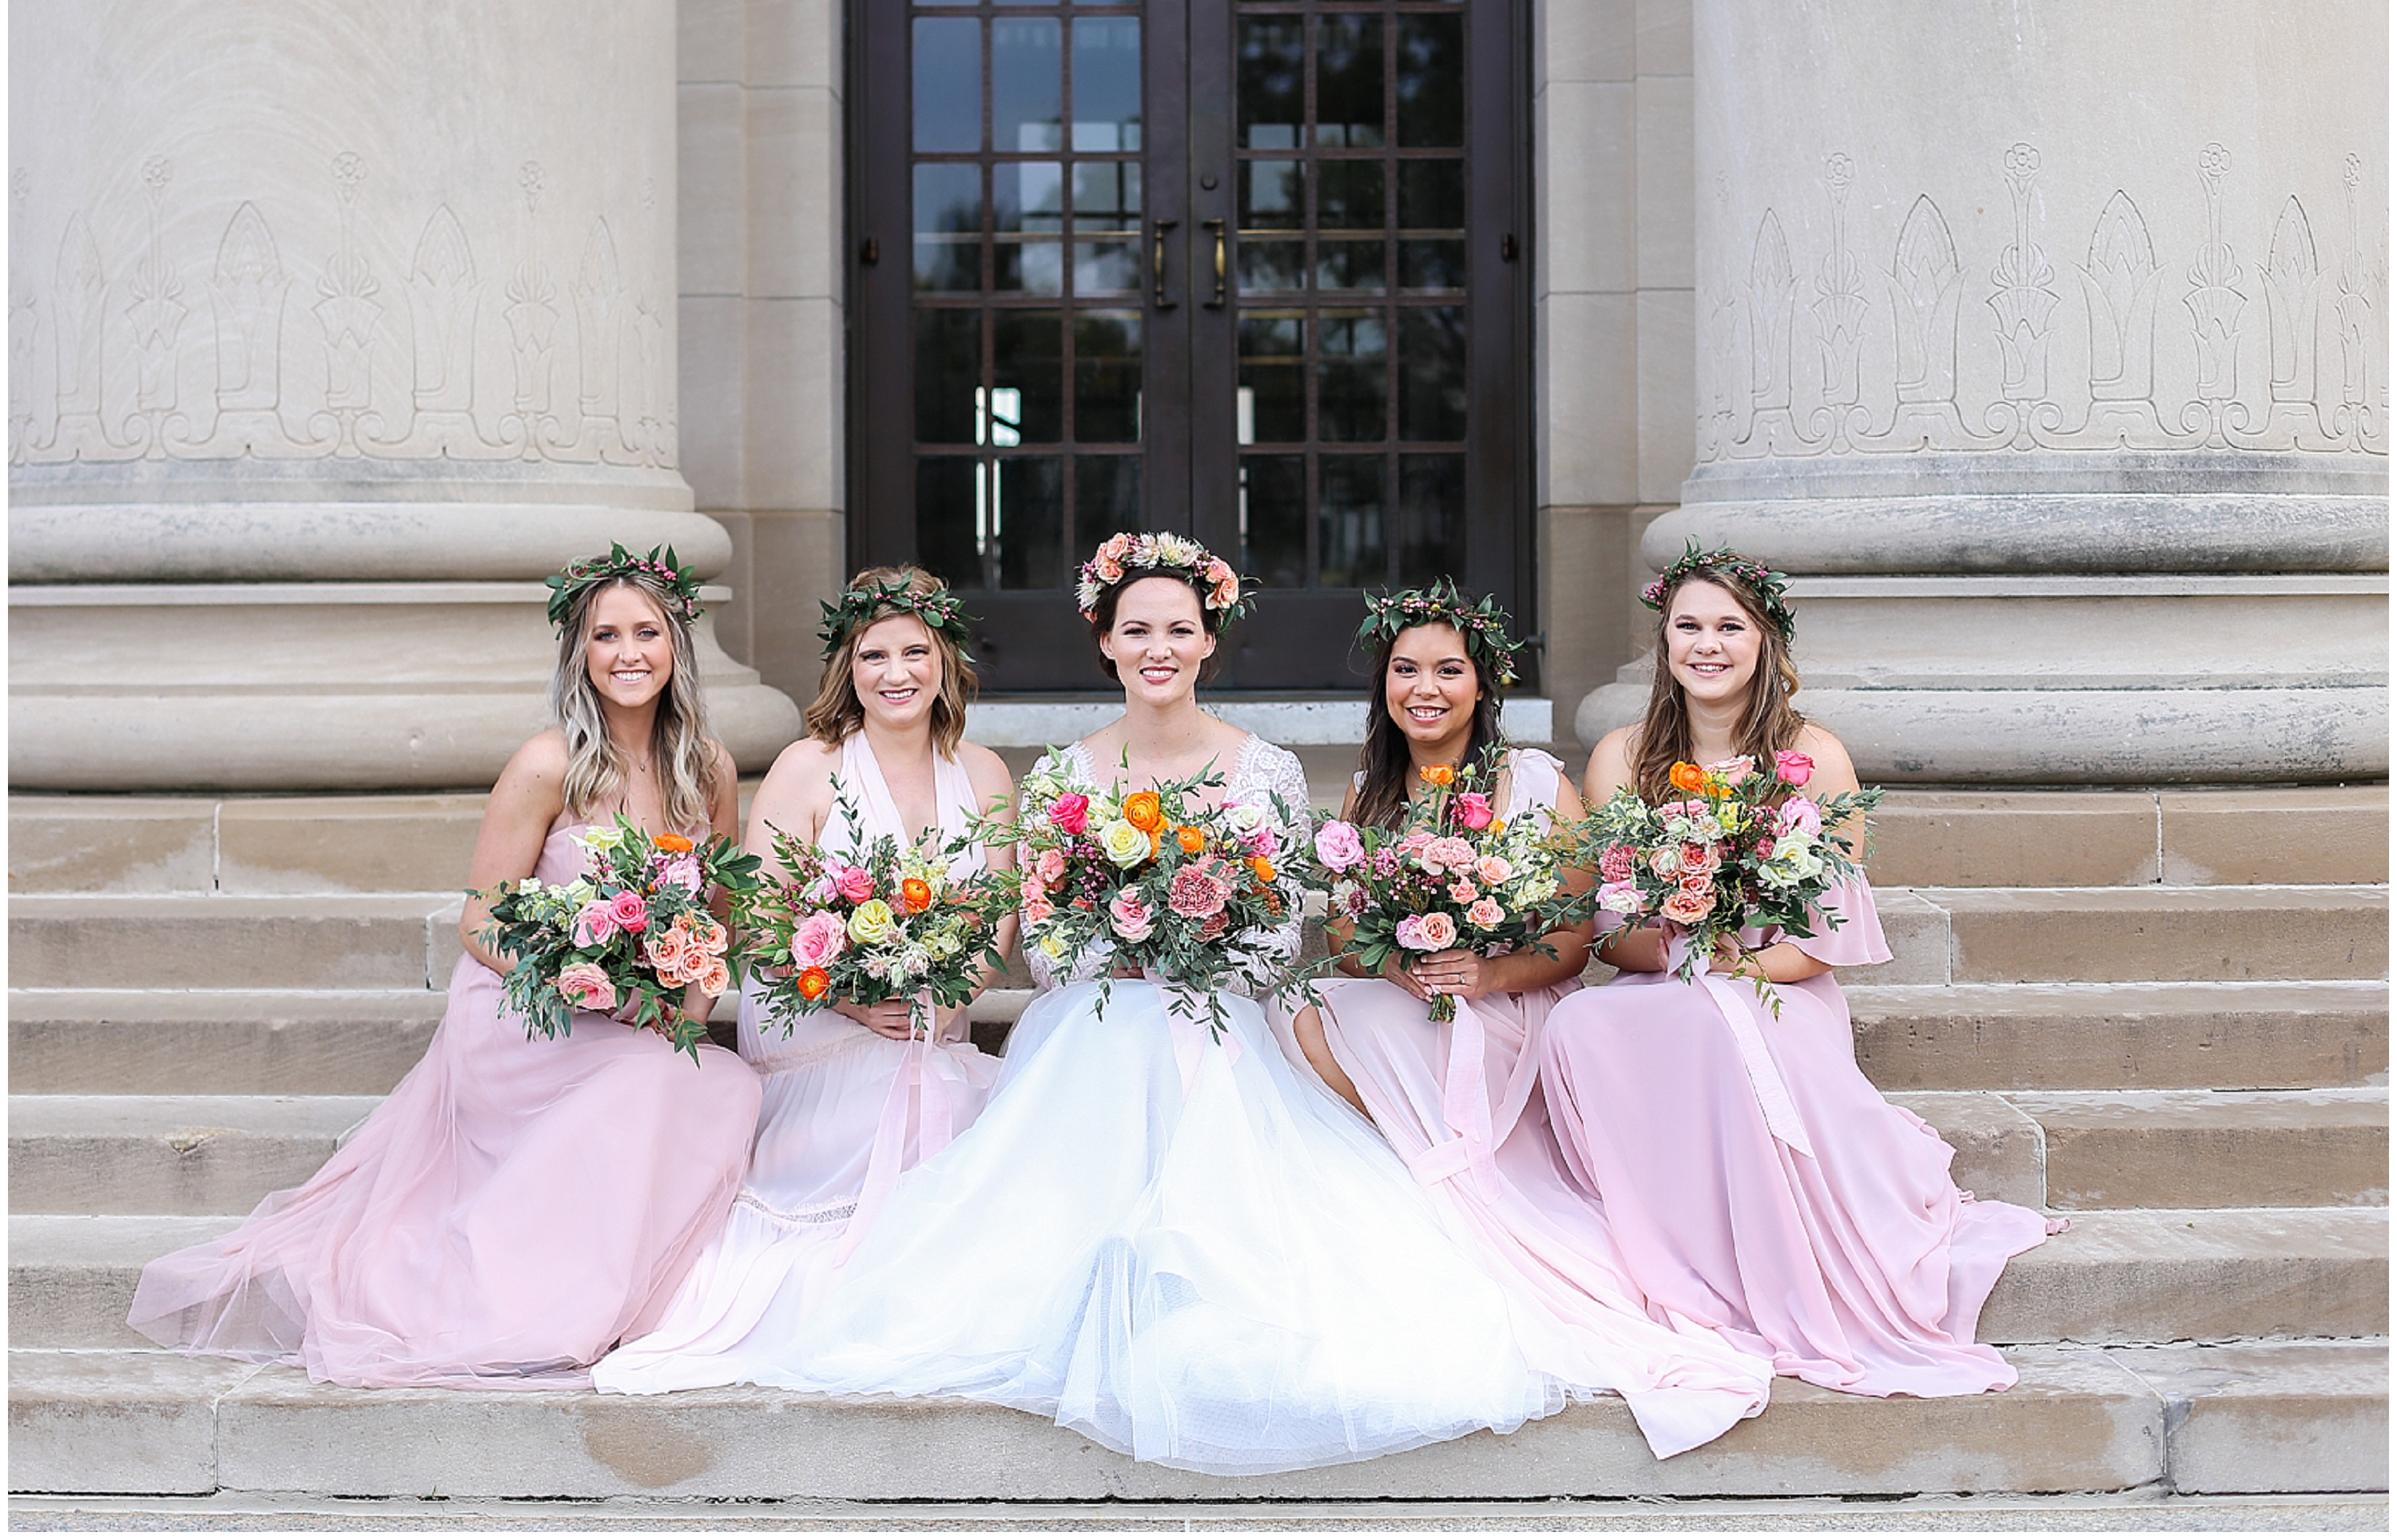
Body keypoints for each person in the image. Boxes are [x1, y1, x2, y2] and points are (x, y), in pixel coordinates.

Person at [763, 533, 1565, 1476]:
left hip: (1221, 1014)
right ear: (1103, 640)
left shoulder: (1263, 771)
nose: (1158, 648)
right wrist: (1133, 948)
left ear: (1208, 642)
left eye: (1179, 629)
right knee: (1120, 1036)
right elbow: (1050, 942)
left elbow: (1275, 941)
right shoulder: (1063, 776)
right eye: (1136, 628)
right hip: (1100, 1024)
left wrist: (1196, 946)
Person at [129, 546, 761, 1387]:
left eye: (646, 631)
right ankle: (535, 1304)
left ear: (677, 643)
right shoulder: (548, 765)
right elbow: (479, 923)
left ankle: (598, 1291)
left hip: (634, 1021)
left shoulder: (707, 768)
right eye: (605, 635)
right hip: (527, 1012)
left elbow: (715, 922)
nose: (627, 652)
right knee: (645, 1086)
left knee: (717, 1083)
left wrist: (683, 1018)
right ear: (579, 653)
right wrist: (580, 973)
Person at [1540, 543, 2058, 1399]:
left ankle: (1771, 1254)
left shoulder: (1813, 757)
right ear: (1664, 642)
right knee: (1578, 1022)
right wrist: (1681, 934)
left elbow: (1824, 934)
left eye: (1729, 626)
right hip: (1668, 976)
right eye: (1688, 626)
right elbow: (1612, 937)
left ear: (1766, 641)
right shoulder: (1620, 760)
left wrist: (1743, 963)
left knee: (1720, 1021)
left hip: (1778, 986)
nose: (1707, 644)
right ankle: (1672, 1248)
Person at [1271, 581, 1772, 1459]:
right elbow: (1347, 937)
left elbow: (1580, 942)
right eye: (1405, 669)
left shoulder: (1535, 782)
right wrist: (1406, 962)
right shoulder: (1368, 795)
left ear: (1482, 684)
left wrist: (1487, 970)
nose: (1424, 688)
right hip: (1419, 995)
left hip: (1513, 1007)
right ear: (1383, 684)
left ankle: (1455, 1198)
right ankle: (1408, 1197)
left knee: (1375, 1028)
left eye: (1447, 670)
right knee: (1295, 1007)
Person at [594, 567, 1016, 1394]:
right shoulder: (807, 766)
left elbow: (997, 914)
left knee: (967, 1097)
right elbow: (758, 925)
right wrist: (858, 996)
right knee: (903, 1086)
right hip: (819, 1017)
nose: (895, 673)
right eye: (873, 655)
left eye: (913, 652)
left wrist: (950, 994)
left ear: (945, 659)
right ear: (847, 668)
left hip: (933, 1021)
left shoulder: (988, 771)